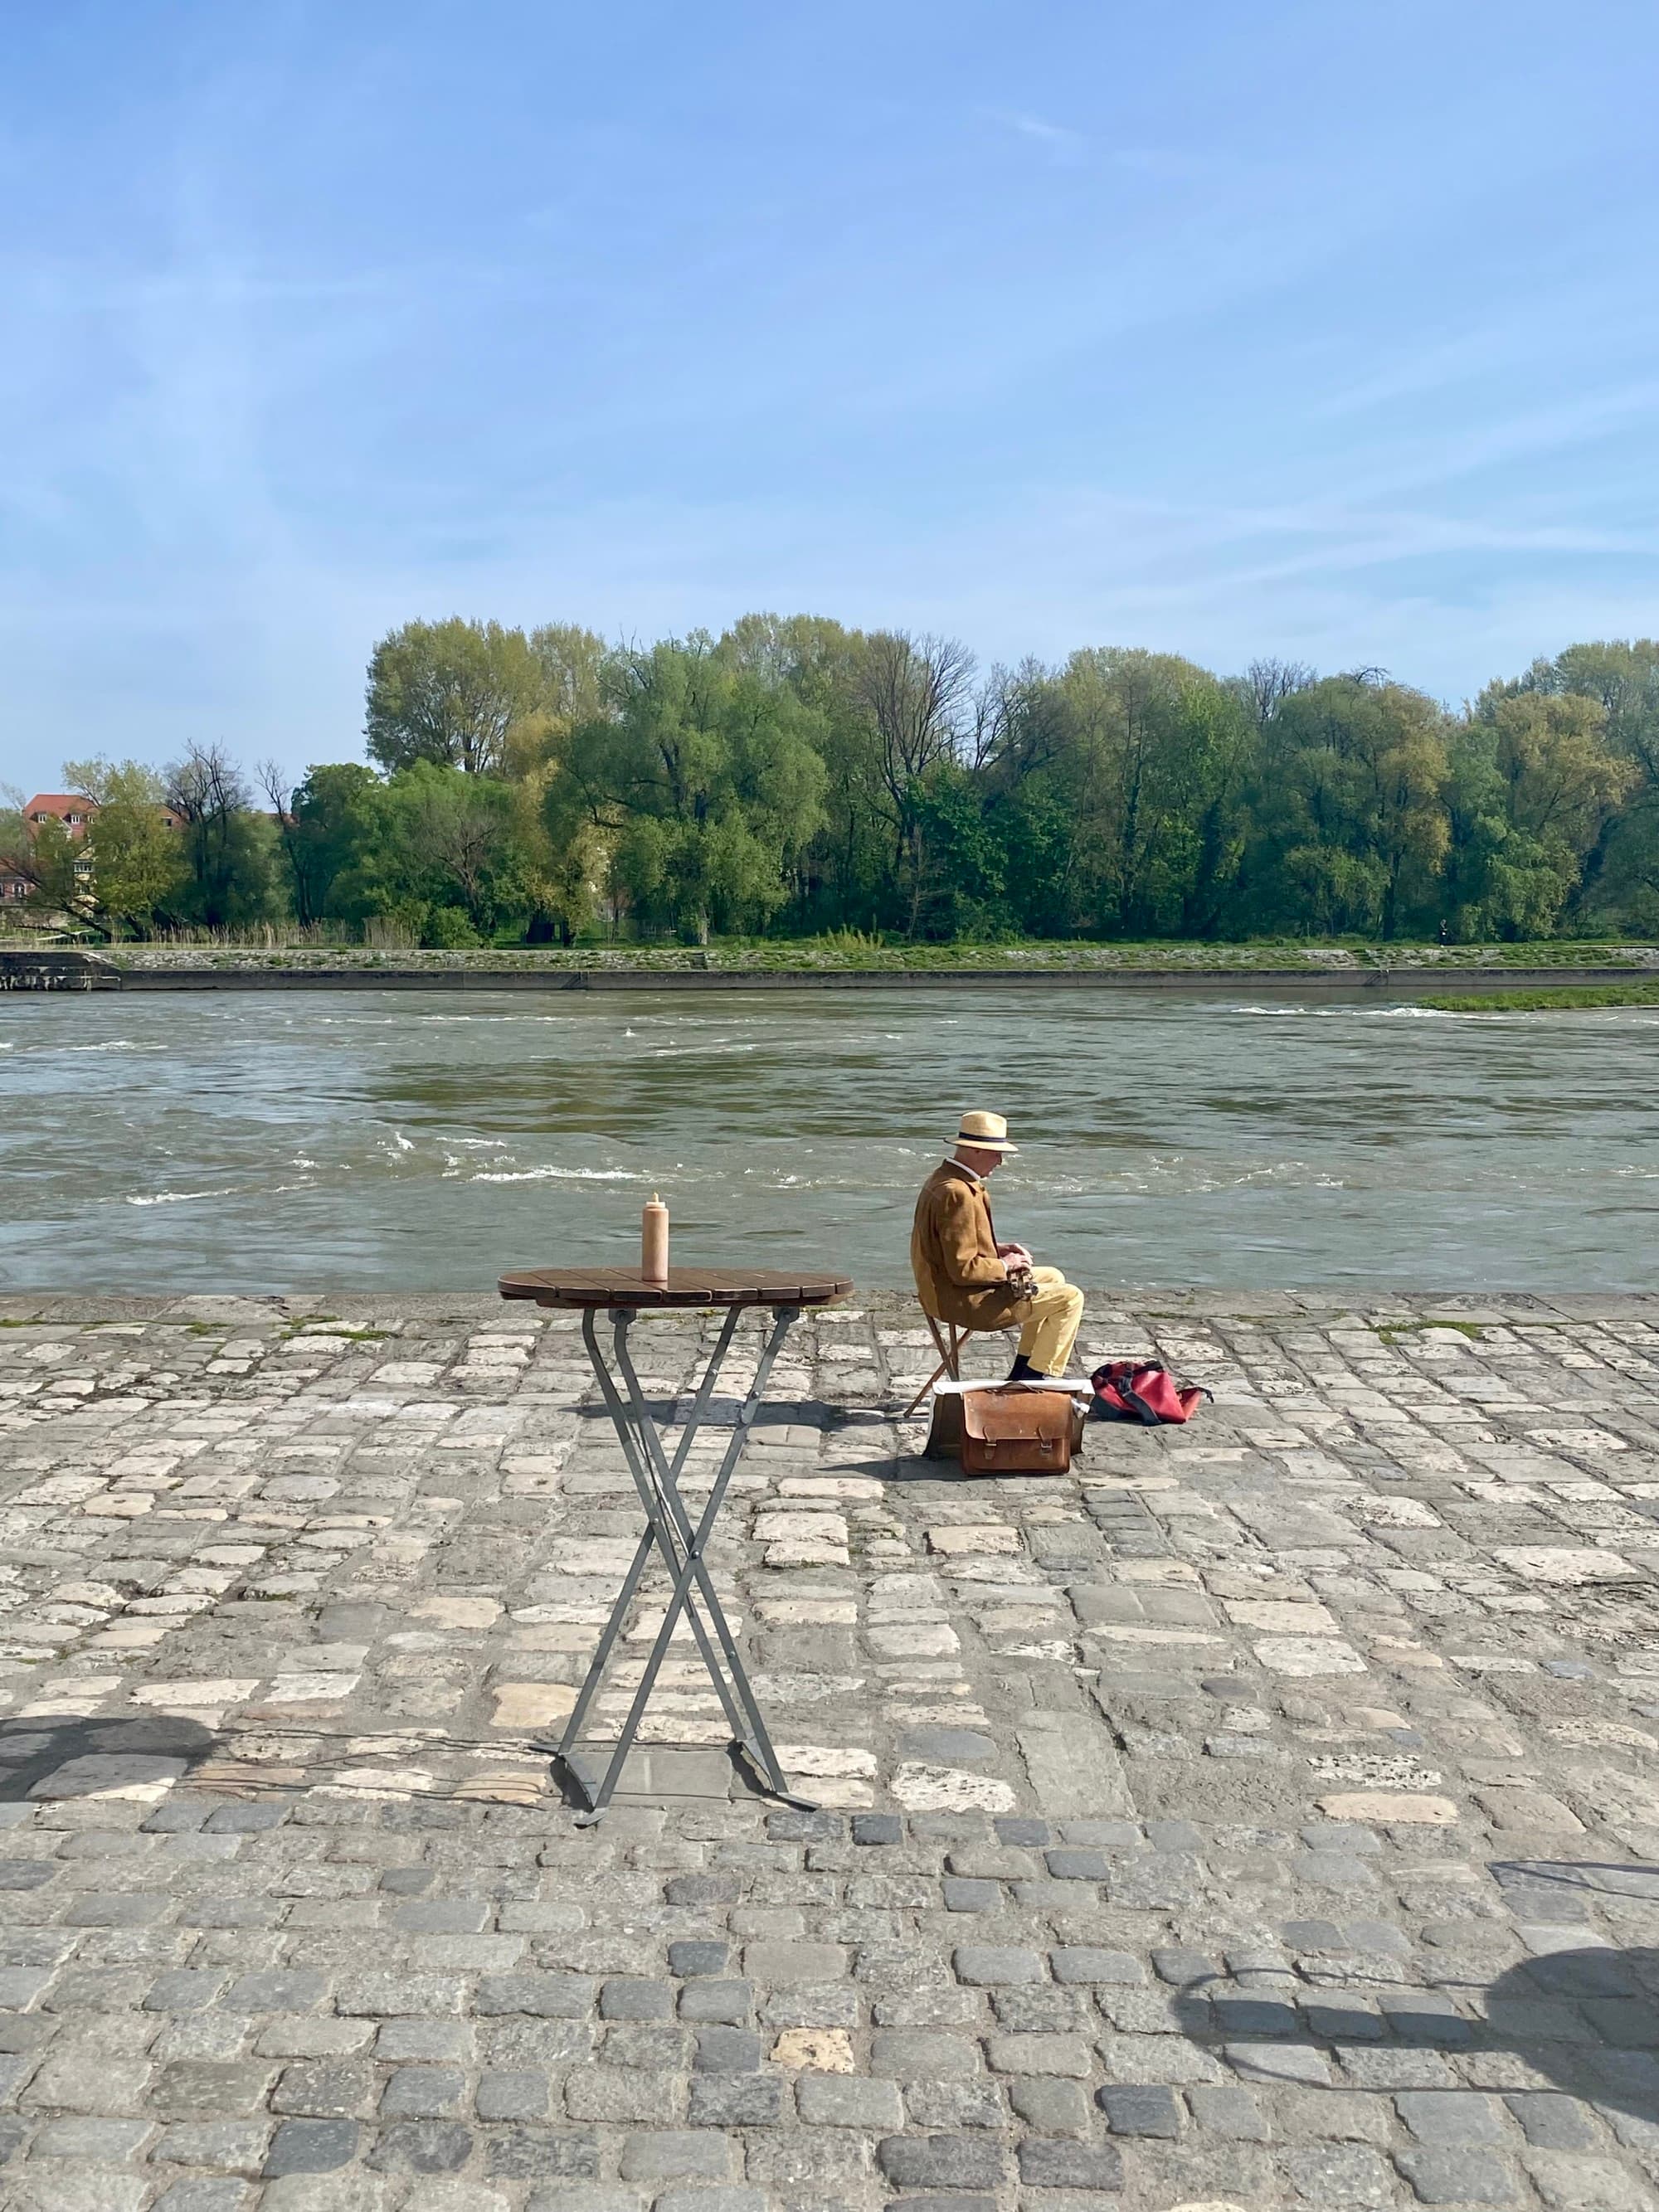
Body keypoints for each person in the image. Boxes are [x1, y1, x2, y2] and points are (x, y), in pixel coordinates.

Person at [910, 1109, 1085, 1381]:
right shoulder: (958, 1194)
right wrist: (1005, 1265)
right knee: (1070, 1297)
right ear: (975, 1151)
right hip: (960, 1300)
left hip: (941, 1289)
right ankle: (1038, 1381)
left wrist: (997, 1248)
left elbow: (950, 1246)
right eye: (996, 1153)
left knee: (1053, 1277)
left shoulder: (945, 1178)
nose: (1001, 1162)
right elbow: (964, 1270)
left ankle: (1021, 1373)